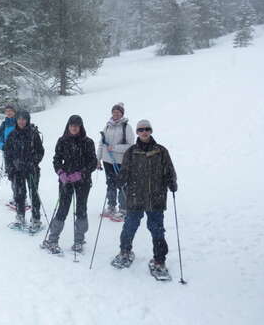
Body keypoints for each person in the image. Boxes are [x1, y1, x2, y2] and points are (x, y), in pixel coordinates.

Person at [111, 120, 177, 277]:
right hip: (135, 197)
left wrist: (172, 182)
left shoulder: (161, 151)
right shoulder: (131, 152)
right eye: (141, 130)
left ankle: (159, 261)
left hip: (156, 198)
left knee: (157, 230)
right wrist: (119, 180)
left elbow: (169, 170)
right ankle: (125, 251)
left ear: (151, 131)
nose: (144, 132)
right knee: (130, 226)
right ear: (138, 132)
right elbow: (125, 171)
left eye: (147, 129)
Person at [41, 115, 97, 255]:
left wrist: (81, 174)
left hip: (83, 181)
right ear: (68, 126)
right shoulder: (62, 141)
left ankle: (79, 240)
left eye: (77, 125)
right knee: (62, 209)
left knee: (81, 209)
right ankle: (52, 239)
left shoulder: (88, 142)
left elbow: (92, 162)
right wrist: (61, 173)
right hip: (66, 181)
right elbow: (57, 159)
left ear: (81, 127)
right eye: (72, 125)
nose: (74, 127)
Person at [4, 110, 44, 231]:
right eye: (19, 119)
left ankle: (36, 218)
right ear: (16, 120)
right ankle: (20, 217)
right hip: (17, 171)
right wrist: (10, 168)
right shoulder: (12, 134)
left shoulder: (33, 134)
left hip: (32, 170)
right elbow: (7, 153)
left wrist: (33, 161)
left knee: (34, 194)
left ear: (27, 120)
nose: (21, 121)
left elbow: (40, 151)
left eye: (24, 119)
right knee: (19, 195)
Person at [96, 103, 135, 221]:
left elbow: (131, 146)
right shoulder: (107, 126)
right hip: (108, 161)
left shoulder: (126, 127)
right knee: (110, 183)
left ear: (122, 114)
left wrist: (115, 148)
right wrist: (98, 159)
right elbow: (101, 144)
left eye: (118, 112)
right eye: (114, 112)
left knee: (122, 184)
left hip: (121, 161)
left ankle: (123, 209)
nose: (116, 114)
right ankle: (111, 207)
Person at [0, 104, 18, 206]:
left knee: (20, 175)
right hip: (8, 153)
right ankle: (15, 196)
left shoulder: (19, 122)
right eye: (7, 111)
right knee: (11, 175)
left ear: (14, 112)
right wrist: (2, 146)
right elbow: (0, 139)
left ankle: (22, 197)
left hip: (19, 153)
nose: (9, 112)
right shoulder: (4, 124)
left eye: (11, 110)